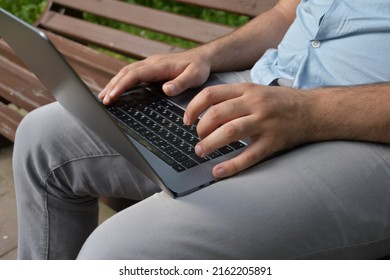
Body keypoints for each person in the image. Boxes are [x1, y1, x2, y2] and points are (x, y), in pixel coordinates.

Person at [13, 0, 390, 259]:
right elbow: (289, 12)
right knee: (44, 138)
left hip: (362, 128)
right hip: (266, 80)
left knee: (121, 252)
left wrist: (308, 112)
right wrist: (205, 55)